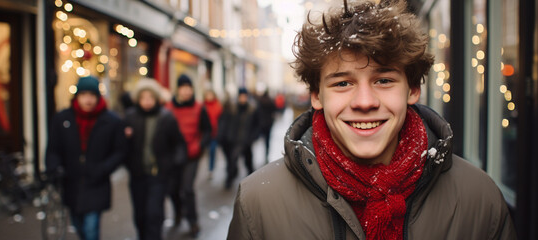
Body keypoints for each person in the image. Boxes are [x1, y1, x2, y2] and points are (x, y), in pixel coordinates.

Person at [227, 1, 517, 239]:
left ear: (413, 89)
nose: (365, 102)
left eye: (384, 80)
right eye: (342, 83)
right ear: (316, 95)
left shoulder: (479, 199)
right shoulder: (259, 204)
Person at [46, 76, 126, 240]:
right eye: (84, 95)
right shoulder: (63, 119)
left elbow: (120, 151)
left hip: (96, 182)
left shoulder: (111, 121)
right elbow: (53, 149)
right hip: (71, 182)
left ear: (98, 97)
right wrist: (54, 168)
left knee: (91, 228)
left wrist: (104, 168)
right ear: (77, 97)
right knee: (77, 224)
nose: (88, 100)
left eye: (91, 95)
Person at [123, 79, 186, 240]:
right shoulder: (130, 117)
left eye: (150, 97)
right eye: (143, 97)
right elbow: (121, 146)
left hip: (159, 174)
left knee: (154, 213)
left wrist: (173, 164)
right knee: (140, 215)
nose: (147, 101)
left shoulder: (166, 118)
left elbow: (178, 144)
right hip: (137, 175)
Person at [165, 74, 211, 237]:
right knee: (172, 189)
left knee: (187, 189)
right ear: (178, 89)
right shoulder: (169, 108)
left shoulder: (199, 108)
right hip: (173, 155)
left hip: (192, 155)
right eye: (183, 88)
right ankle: (178, 212)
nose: (186, 91)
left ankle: (193, 221)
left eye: (188, 88)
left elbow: (207, 131)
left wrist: (199, 146)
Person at [218, 88, 259, 189]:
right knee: (232, 161)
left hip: (246, 141)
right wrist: (223, 136)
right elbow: (224, 122)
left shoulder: (252, 109)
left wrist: (252, 138)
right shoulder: (232, 108)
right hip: (233, 140)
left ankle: (253, 180)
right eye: (241, 96)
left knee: (248, 162)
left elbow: (257, 125)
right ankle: (229, 179)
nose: (242, 98)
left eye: (244, 96)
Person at [203, 89, 223, 179]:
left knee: (212, 150)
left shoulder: (218, 106)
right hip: (205, 133)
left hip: (215, 133)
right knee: (207, 151)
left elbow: (221, 120)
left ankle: (211, 169)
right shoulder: (203, 106)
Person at [255, 90, 276, 164]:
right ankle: (266, 152)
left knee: (261, 139)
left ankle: (261, 153)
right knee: (267, 140)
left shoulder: (260, 101)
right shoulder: (270, 101)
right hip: (268, 124)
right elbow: (274, 110)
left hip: (262, 123)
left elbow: (258, 112)